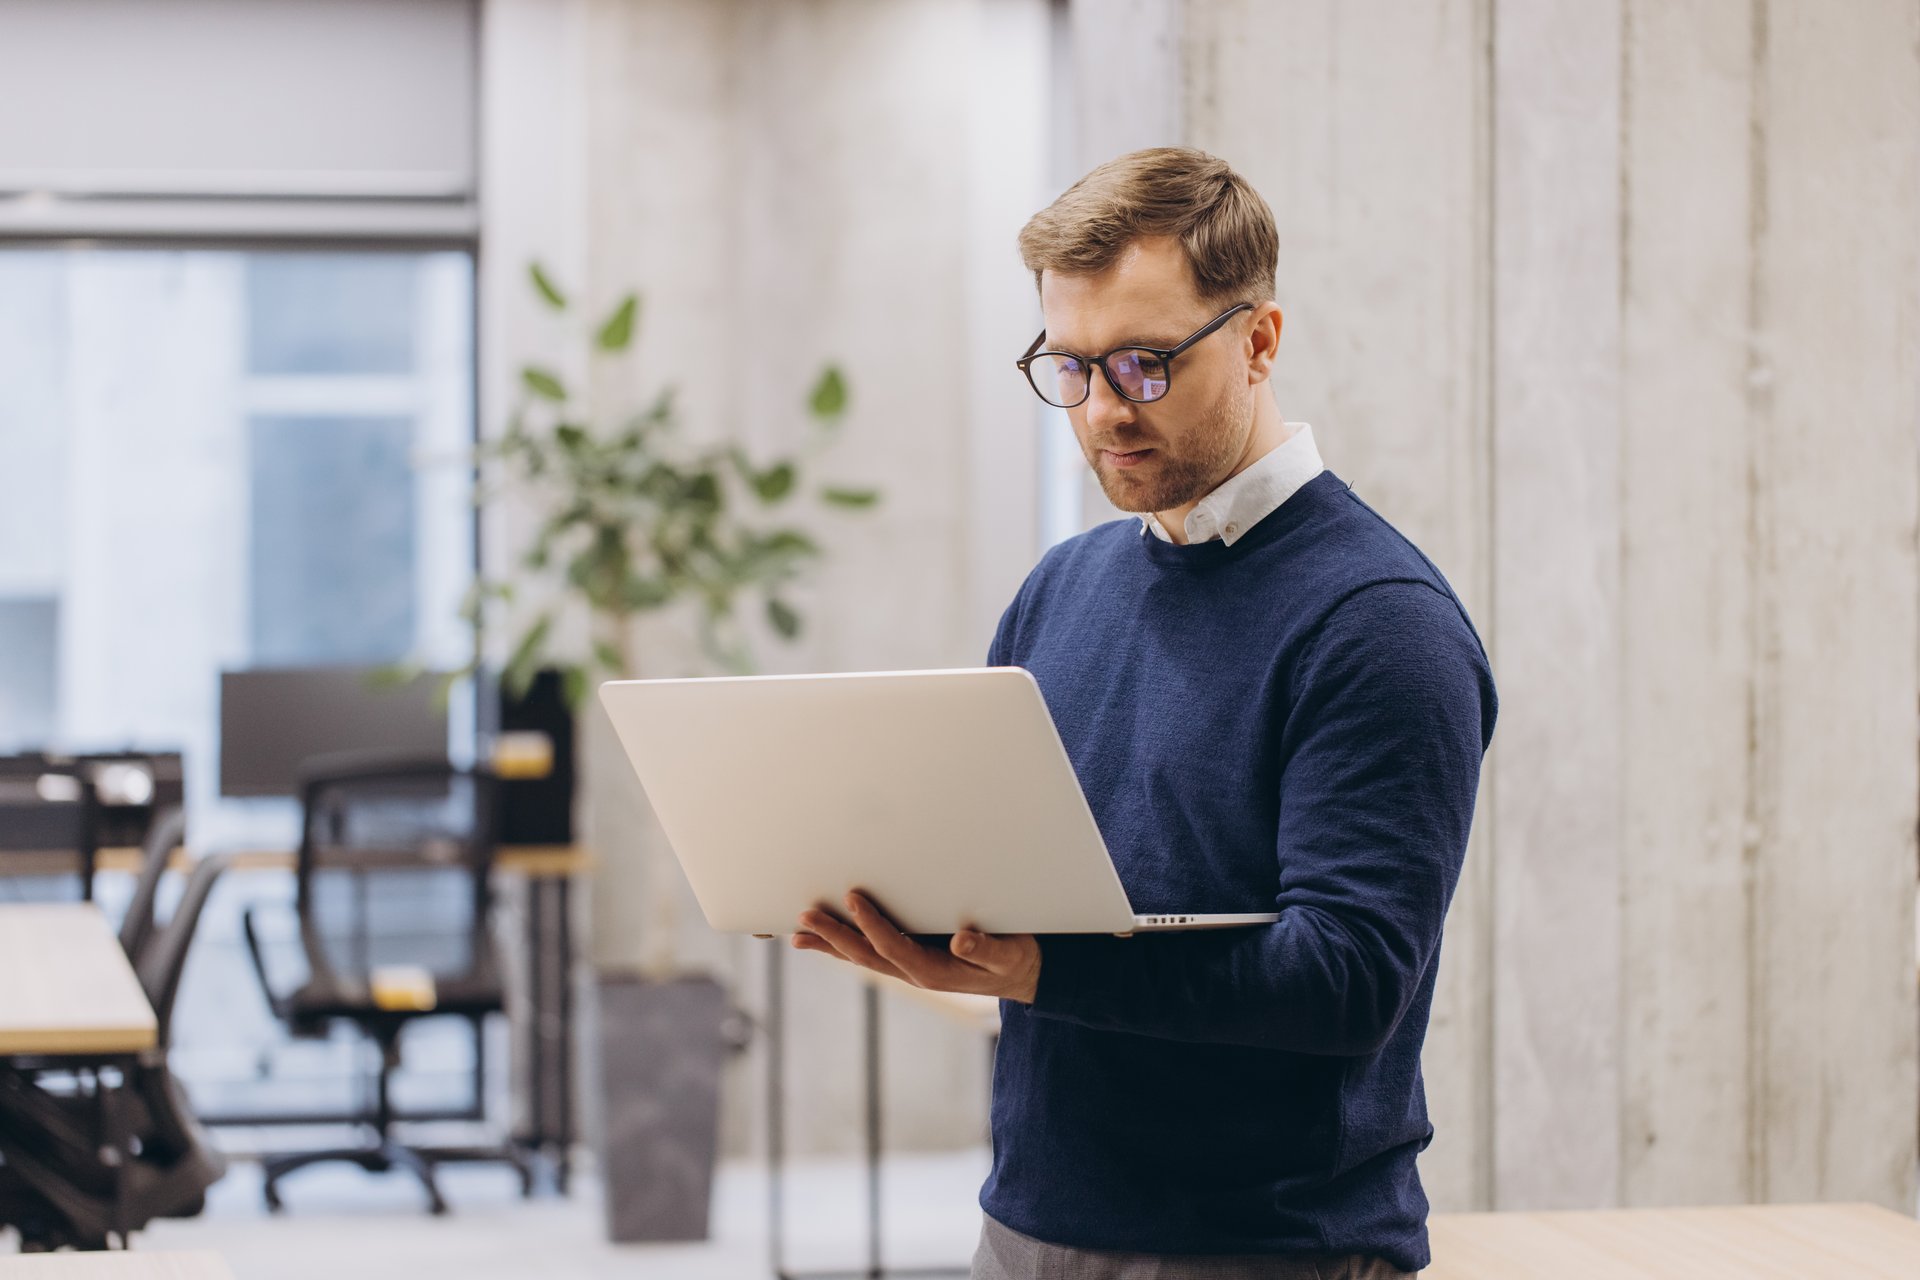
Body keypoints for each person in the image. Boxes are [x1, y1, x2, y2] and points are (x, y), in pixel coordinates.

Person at [792, 147, 1496, 1280]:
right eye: (1069, 367)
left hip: (1263, 1251)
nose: (1105, 411)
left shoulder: (1380, 624)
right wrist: (934, 924)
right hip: (1027, 1227)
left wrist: (1039, 972)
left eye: (1145, 364)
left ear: (1261, 341)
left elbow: (1349, 976)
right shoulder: (1061, 591)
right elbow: (1031, 894)